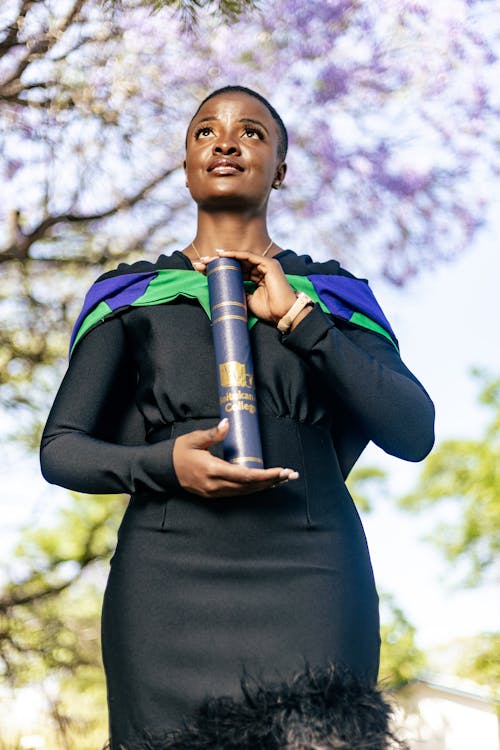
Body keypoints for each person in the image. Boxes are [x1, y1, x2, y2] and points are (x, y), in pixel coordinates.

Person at [40, 85, 434, 749]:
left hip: (312, 573)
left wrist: (300, 322)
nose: (225, 141)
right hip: (165, 585)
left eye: (251, 132)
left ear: (280, 167)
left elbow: (412, 430)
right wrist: (164, 465)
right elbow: (61, 449)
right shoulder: (129, 296)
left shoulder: (334, 296)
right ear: (187, 163)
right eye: (205, 132)